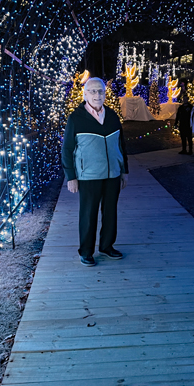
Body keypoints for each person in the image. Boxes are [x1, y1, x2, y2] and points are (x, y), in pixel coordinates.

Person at [62, 77, 129, 267]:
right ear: (85, 94)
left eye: (100, 91)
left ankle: (107, 246)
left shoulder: (113, 116)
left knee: (110, 213)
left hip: (112, 175)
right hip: (88, 176)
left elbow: (121, 145)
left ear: (105, 94)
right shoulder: (76, 118)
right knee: (88, 215)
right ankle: (86, 251)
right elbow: (67, 149)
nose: (97, 95)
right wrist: (71, 177)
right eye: (92, 91)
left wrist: (124, 171)